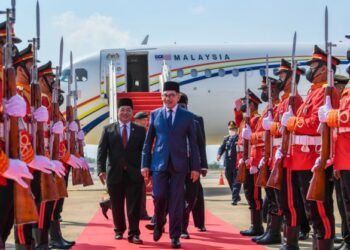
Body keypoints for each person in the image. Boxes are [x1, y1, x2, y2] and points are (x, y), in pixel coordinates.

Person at [282, 45, 339, 249]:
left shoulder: (326, 92)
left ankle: (324, 245)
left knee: (319, 210)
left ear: (324, 69)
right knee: (310, 210)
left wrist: (292, 122)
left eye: (313, 64)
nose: (309, 69)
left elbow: (315, 124)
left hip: (314, 158)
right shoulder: (312, 93)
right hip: (301, 159)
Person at [141, 81, 200, 249]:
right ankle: (159, 222)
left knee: (176, 202)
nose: (168, 98)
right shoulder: (155, 114)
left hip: (180, 165)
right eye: (165, 95)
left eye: (172, 95)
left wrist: (195, 167)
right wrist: (145, 164)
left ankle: (175, 236)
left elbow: (194, 144)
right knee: (158, 196)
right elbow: (148, 142)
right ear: (161, 97)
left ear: (178, 97)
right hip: (159, 163)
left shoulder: (187, 117)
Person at [97, 98, 146, 244]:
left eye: (128, 110)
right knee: (117, 205)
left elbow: (145, 152)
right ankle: (119, 230)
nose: (125, 113)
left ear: (132, 113)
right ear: (118, 112)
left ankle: (134, 233)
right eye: (122, 110)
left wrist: (146, 168)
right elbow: (102, 151)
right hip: (114, 173)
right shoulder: (108, 129)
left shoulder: (140, 130)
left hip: (134, 173)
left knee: (134, 206)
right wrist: (100, 169)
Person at [320, 73, 350, 250]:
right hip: (343, 158)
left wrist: (332, 115)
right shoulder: (346, 94)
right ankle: (347, 238)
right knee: (343, 203)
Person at [177, 92, 208, 240]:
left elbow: (202, 143)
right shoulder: (171, 118)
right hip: (176, 164)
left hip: (193, 164)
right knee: (175, 194)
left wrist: (204, 164)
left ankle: (199, 222)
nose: (182, 108)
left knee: (195, 195)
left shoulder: (196, 119)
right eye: (179, 105)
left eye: (183, 105)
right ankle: (167, 222)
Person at [236, 89, 263, 237]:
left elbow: (258, 141)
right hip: (244, 161)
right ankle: (254, 224)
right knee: (248, 193)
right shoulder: (244, 121)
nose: (243, 105)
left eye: (246, 103)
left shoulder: (256, 119)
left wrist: (252, 161)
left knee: (254, 195)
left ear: (252, 105)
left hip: (252, 162)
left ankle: (257, 226)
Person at [134, 111, 152, 220]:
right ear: (137, 121)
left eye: (146, 120)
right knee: (140, 190)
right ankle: (142, 213)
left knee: (139, 190)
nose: (146, 122)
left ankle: (108, 203)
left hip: (139, 165)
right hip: (137, 165)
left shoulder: (142, 131)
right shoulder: (136, 131)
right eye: (143, 120)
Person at [217, 121, 241, 205]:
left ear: (236, 129)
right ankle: (236, 195)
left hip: (236, 163)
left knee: (236, 182)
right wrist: (219, 154)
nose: (231, 130)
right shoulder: (226, 138)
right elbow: (222, 148)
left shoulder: (239, 138)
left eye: (233, 129)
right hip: (227, 164)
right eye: (230, 129)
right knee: (230, 181)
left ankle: (234, 199)